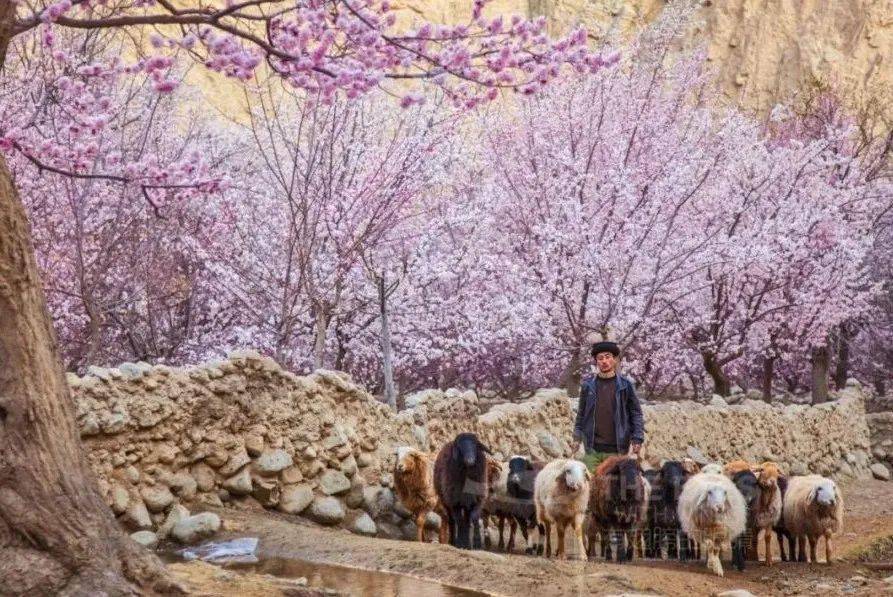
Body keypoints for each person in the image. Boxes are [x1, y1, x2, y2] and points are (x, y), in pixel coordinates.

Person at [572, 341, 645, 471]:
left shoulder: (625, 386)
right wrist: (576, 437)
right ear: (596, 362)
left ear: (615, 359)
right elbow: (581, 414)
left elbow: (636, 413)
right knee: (591, 487)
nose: (604, 361)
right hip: (592, 450)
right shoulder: (588, 386)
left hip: (617, 449)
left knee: (613, 487)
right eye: (600, 358)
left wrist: (637, 438)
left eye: (608, 357)